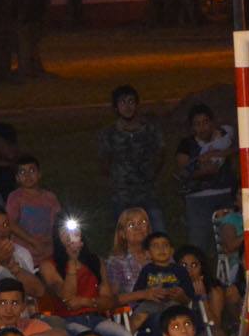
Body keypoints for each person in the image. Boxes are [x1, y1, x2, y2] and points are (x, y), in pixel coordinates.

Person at [99, 85, 167, 234]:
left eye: (131, 101)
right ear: (116, 107)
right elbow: (104, 161)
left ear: (137, 104)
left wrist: (152, 174)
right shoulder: (109, 133)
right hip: (122, 194)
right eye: (122, 102)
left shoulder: (150, 129)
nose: (127, 106)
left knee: (158, 232)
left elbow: (161, 153)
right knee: (124, 236)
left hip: (147, 192)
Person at [176, 104, 236, 257]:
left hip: (224, 195)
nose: (203, 127)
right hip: (198, 198)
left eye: (206, 122)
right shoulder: (187, 144)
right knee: (199, 243)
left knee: (230, 242)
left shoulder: (224, 139)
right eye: (198, 124)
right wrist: (202, 172)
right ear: (192, 127)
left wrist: (219, 154)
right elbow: (183, 170)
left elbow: (238, 150)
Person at [3, 155, 61, 264]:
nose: (27, 175)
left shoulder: (50, 197)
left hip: (48, 250)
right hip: (24, 251)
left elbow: (57, 222)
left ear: (39, 174)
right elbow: (9, 222)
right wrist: (32, 241)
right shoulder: (16, 197)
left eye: (32, 170)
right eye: (22, 172)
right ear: (17, 178)